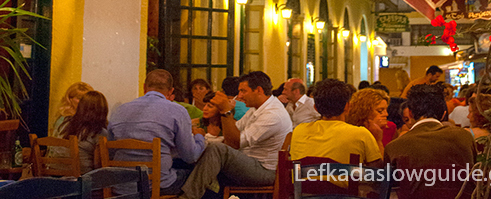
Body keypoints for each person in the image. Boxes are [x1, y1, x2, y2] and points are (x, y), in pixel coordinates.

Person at [179, 70, 292, 199]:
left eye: (243, 91)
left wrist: (226, 111)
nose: (239, 96)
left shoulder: (273, 114)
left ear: (259, 90)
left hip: (265, 171)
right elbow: (232, 134)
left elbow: (235, 143)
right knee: (206, 150)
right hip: (250, 162)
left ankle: (187, 197)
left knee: (216, 150)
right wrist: (203, 142)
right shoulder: (256, 109)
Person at [108, 68, 205, 194]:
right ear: (171, 91)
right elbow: (190, 156)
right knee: (198, 174)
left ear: (144, 87)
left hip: (120, 186)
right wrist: (199, 137)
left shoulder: (119, 110)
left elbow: (110, 152)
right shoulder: (177, 111)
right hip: (156, 185)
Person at [384, 84, 476, 199]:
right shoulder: (464, 136)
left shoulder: (394, 147)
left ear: (411, 113)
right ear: (443, 114)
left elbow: (387, 187)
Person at [289, 78, 381, 167]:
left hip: (301, 182)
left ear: (316, 108)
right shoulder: (361, 134)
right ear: (347, 106)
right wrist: (378, 140)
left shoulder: (299, 130)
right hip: (342, 183)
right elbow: (378, 172)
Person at [58, 90, 108, 174]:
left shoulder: (64, 124)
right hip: (81, 180)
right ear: (102, 110)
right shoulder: (98, 132)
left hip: (53, 177)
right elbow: (98, 165)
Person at [346, 88, 389, 155]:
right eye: (380, 111)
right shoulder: (352, 134)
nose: (386, 114)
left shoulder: (390, 128)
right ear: (365, 113)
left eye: (386, 110)